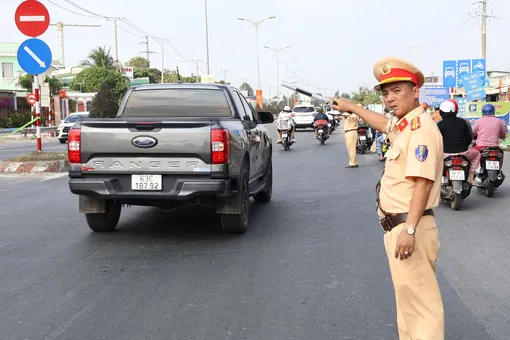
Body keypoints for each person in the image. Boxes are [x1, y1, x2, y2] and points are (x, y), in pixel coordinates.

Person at [330, 57, 445, 339]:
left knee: (422, 312)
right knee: (409, 308)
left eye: (397, 91)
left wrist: (409, 229)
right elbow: (384, 124)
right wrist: (351, 106)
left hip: (410, 229)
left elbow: (422, 184)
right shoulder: (406, 124)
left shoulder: (420, 131)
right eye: (385, 93)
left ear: (415, 90)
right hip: (400, 228)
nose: (390, 99)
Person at [437, 100, 481, 186]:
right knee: (477, 154)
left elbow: (436, 141)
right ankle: (471, 177)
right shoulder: (462, 122)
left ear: (441, 112)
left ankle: (437, 181)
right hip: (463, 152)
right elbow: (469, 138)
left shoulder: (439, 124)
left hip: (445, 154)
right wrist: (464, 147)